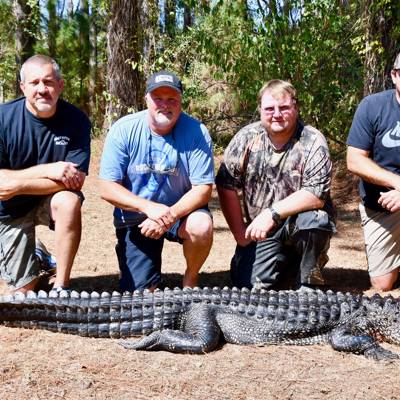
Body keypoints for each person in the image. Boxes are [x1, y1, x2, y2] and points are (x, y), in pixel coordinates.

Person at [99, 70, 214, 291]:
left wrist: (168, 215)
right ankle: (140, 271)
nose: (165, 104)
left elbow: (203, 189)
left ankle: (190, 280)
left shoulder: (197, 132)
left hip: (181, 213)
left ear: (181, 101)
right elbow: (106, 187)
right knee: (141, 296)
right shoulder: (123, 129)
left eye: (172, 99)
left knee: (201, 226)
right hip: (137, 217)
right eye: (158, 98)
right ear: (146, 99)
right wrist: (148, 208)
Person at [216, 79, 335, 290]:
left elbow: (316, 194)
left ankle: (309, 283)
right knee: (248, 286)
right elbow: (226, 184)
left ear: (295, 108)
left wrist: (271, 213)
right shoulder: (246, 138)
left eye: (284, 108)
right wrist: (240, 234)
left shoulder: (313, 140)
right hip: (263, 232)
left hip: (298, 223)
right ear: (260, 110)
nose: (277, 114)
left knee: (317, 220)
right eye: (269, 108)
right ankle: (282, 263)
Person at [0, 54, 91, 294]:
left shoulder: (77, 120)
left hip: (49, 200)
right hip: (9, 210)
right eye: (34, 82)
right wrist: (50, 170)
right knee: (24, 292)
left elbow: (76, 180)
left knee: (69, 201)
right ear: (23, 87)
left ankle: (62, 286)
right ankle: (38, 258)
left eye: (49, 82)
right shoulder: (3, 118)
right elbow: (1, 185)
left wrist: (18, 184)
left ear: (60, 85)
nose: (42, 89)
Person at [347, 53, 400, 292]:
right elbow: (355, 160)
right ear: (394, 75)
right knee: (382, 284)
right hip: (382, 206)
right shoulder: (373, 106)